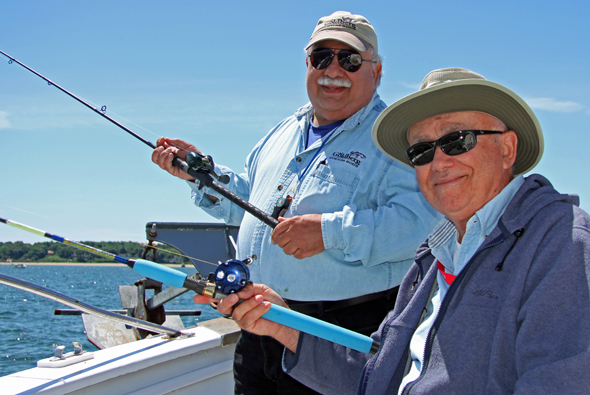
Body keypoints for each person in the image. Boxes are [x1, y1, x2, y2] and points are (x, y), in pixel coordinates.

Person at [215, 67, 590, 394]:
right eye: (421, 151)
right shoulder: (433, 258)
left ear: (507, 149)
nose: (439, 162)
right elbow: (379, 375)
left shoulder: (563, 244)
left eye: (457, 140)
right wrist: (283, 324)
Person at [152, 11, 440, 394]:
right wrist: (202, 175)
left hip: (342, 331)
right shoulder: (281, 133)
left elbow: (422, 224)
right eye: (322, 57)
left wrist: (328, 232)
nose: (333, 69)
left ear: (377, 71)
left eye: (350, 59)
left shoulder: (398, 137)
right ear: (307, 64)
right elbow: (249, 206)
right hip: (259, 324)